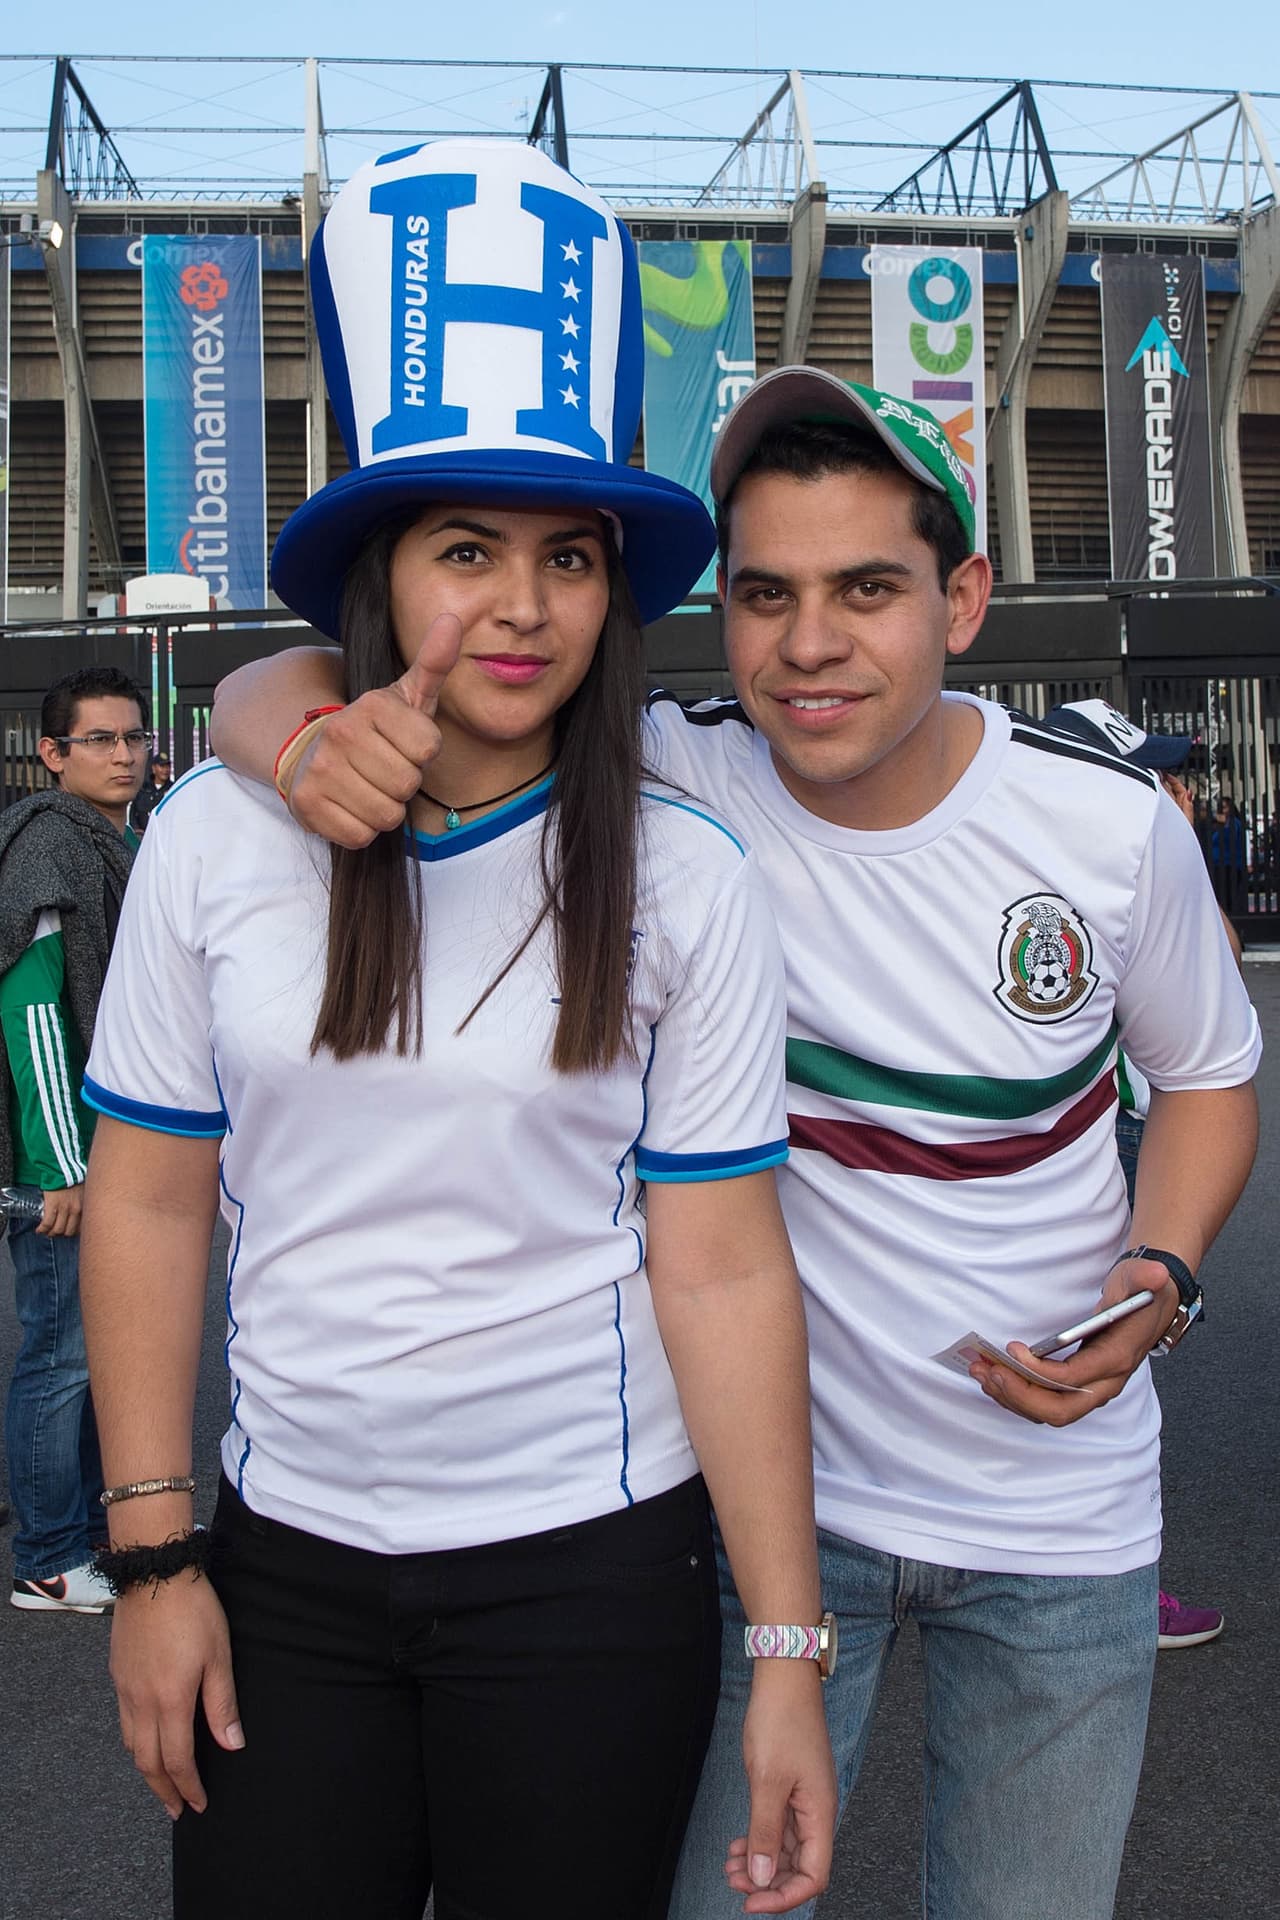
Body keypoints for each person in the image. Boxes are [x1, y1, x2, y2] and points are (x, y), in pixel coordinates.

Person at [211, 364, 1260, 1920]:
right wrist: (283, 740)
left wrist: (1158, 1273)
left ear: (963, 599)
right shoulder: (660, 774)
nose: (809, 644)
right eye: (764, 593)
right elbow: (302, 674)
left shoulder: (1109, 831)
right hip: (765, 1526)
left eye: (868, 589)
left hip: (1061, 1522)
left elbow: (1212, 1078)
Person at [78, 143, 834, 1920]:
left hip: (593, 1578)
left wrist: (786, 1645)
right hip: (282, 1571)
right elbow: (149, 1202)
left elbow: (722, 1267)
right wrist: (152, 1556)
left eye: (570, 556)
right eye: (466, 548)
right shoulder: (212, 834)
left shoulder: (691, 880)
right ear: (380, 571)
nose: (522, 603)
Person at [1044, 699, 1239, 1654]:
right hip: (1107, 1138)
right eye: (1152, 773)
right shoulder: (1083, 860)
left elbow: (1219, 996)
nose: (1171, 789)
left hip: (1138, 1130)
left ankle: (1111, 1570)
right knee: (1109, 1351)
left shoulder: (1136, 857)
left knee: (1124, 1348)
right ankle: (1117, 1583)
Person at [0, 666, 148, 1613]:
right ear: (52, 755)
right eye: (100, 740)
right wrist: (63, 1167)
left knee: (94, 1350)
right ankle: (50, 1560)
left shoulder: (110, 840)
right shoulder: (49, 847)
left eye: (134, 737)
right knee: (59, 1354)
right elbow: (33, 1014)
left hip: (104, 1156)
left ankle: (91, 1534)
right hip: (61, 1164)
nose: (125, 755)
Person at [130, 749, 173, 836]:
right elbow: (133, 812)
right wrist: (136, 830)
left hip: (164, 836)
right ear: (154, 768)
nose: (165, 770)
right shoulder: (143, 789)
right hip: (142, 837)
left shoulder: (173, 789)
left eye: (167, 766)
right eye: (162, 766)